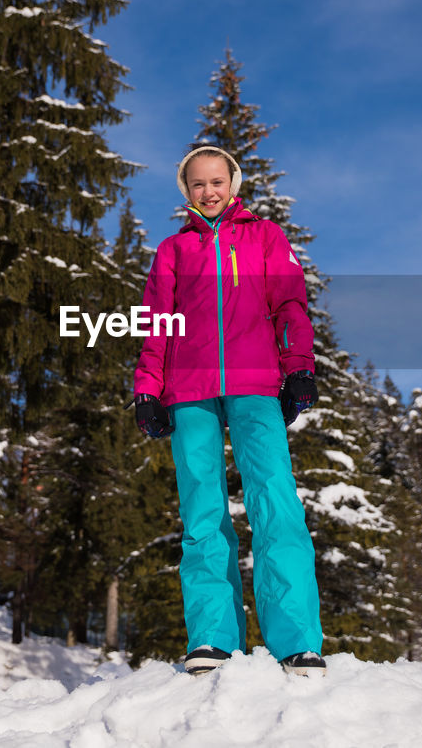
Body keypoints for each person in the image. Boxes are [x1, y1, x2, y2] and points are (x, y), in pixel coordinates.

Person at [131, 143, 326, 678]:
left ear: (233, 184)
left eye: (217, 181)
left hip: (256, 385)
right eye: (198, 184)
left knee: (275, 502)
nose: (209, 191)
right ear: (186, 192)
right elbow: (156, 322)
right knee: (201, 512)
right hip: (188, 390)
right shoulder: (173, 251)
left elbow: (289, 305)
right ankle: (213, 640)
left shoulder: (265, 237)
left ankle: (297, 641)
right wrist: (147, 387)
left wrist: (299, 366)